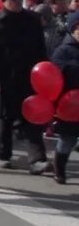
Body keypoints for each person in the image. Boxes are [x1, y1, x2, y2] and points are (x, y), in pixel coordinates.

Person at [0, 0, 50, 174]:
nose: (18, 2)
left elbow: (41, 48)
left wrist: (44, 72)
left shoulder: (32, 20)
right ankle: (4, 154)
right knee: (4, 117)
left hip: (29, 76)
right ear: (4, 0)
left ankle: (37, 158)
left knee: (33, 118)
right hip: (4, 77)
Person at [50, 14, 79, 184]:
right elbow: (55, 75)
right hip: (69, 102)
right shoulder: (63, 50)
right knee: (68, 139)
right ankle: (59, 167)